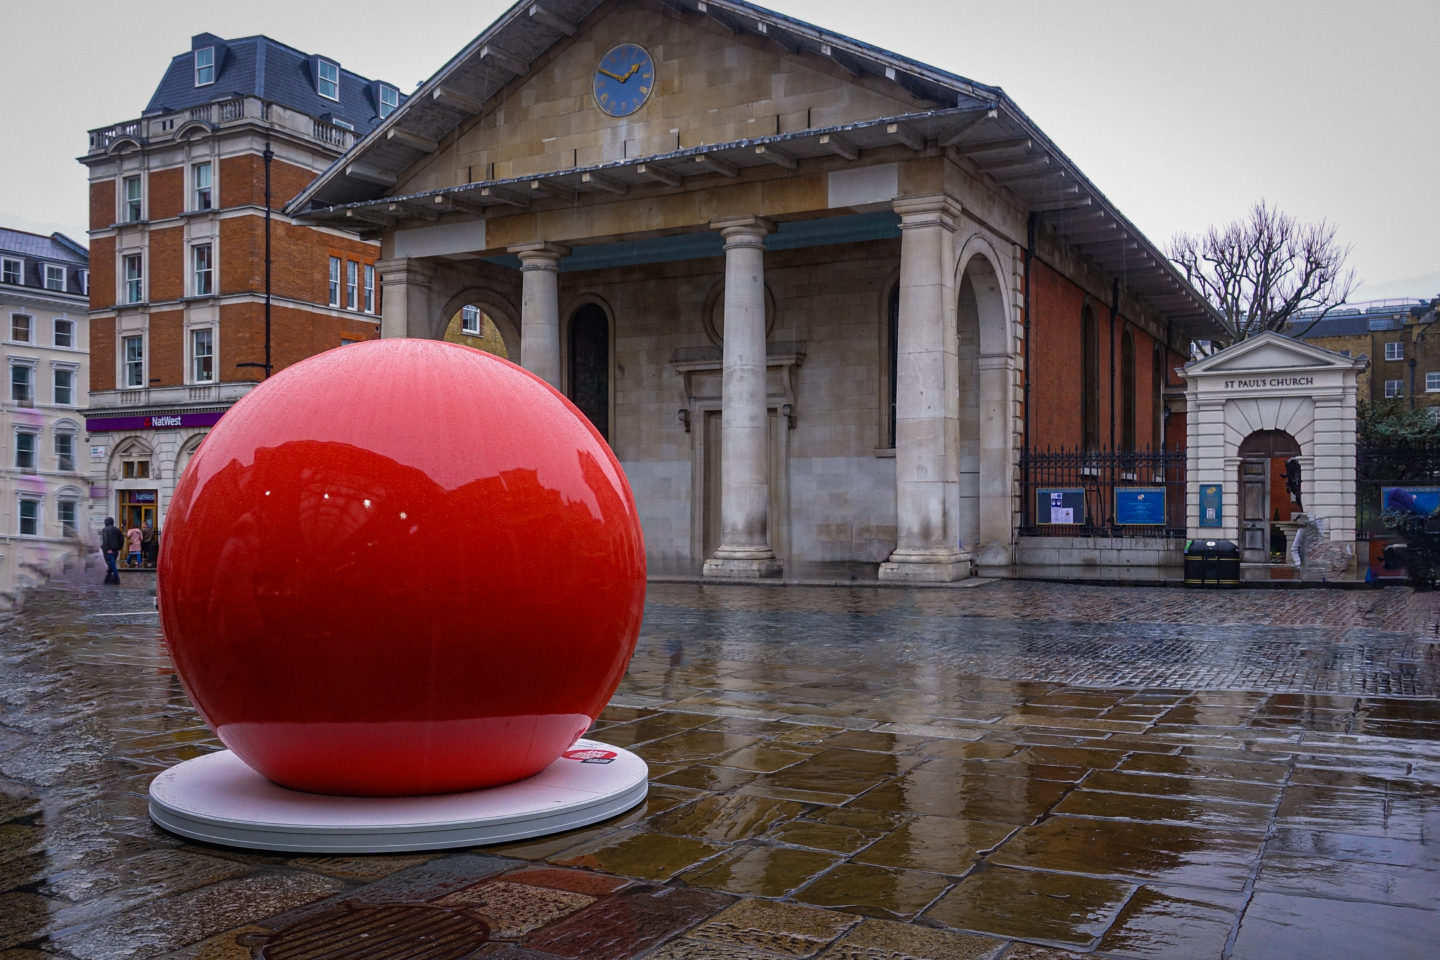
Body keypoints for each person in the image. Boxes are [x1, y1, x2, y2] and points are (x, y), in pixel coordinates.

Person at [100, 517, 124, 584]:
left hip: (109, 550)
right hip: (116, 550)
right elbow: (122, 539)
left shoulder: (105, 529)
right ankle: (107, 578)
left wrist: (108, 549)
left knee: (112, 565)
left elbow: (105, 540)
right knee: (111, 564)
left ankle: (116, 577)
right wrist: (119, 548)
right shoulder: (117, 529)